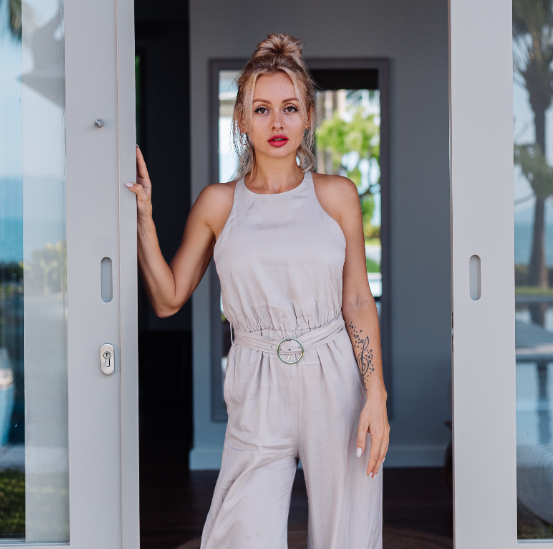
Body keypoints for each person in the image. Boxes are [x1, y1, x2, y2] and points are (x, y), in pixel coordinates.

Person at [126, 33, 389, 548]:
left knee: (348, 534)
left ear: (309, 116)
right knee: (240, 532)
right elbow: (167, 298)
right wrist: (144, 222)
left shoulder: (337, 197)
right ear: (242, 120)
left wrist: (376, 394)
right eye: (262, 109)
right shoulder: (218, 204)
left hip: (335, 372)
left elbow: (357, 301)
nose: (277, 123)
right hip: (255, 376)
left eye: (290, 108)